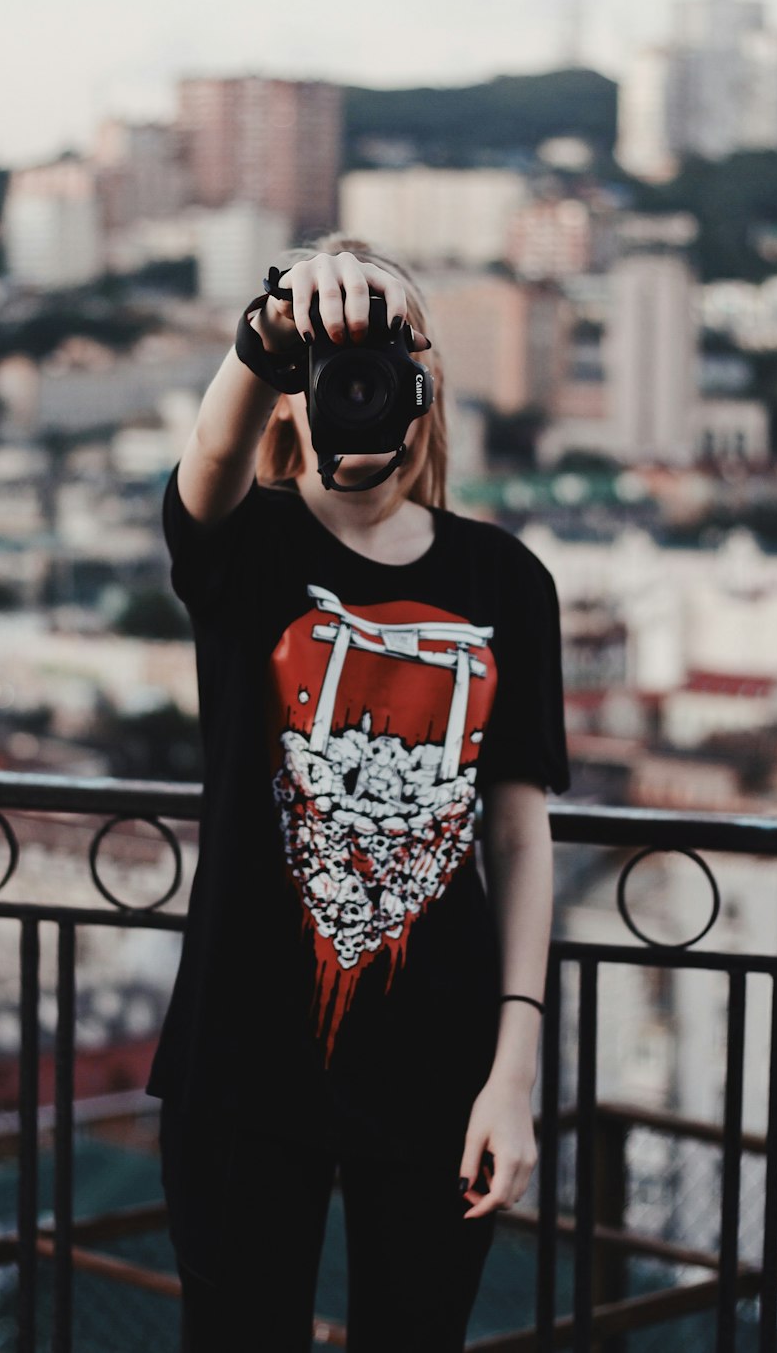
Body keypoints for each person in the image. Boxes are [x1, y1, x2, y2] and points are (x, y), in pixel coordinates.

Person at [146, 237, 570, 1352]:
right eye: (331, 364)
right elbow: (207, 453)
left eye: (384, 359)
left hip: (441, 1067)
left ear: (425, 385)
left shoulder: (506, 582)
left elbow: (521, 840)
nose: (359, 385)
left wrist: (514, 1072)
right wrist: (269, 329)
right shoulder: (246, 545)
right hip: (241, 1062)